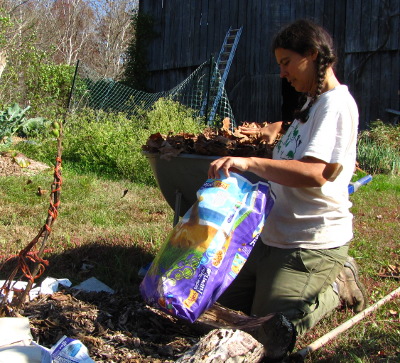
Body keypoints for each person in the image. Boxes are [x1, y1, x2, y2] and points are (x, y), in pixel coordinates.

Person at [208, 19, 367, 342]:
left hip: (309, 244)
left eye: (286, 63)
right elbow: (298, 147)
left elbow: (316, 173)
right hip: (273, 238)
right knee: (210, 311)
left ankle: (337, 285)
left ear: (311, 54)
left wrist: (250, 161)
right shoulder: (312, 103)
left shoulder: (336, 105)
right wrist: (274, 132)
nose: (282, 73)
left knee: (266, 333)